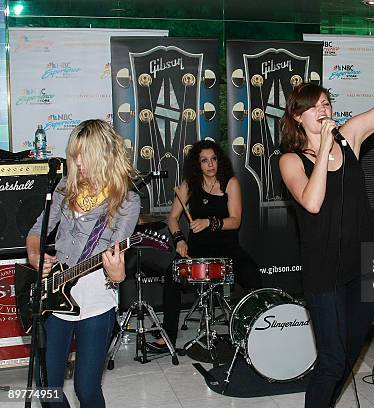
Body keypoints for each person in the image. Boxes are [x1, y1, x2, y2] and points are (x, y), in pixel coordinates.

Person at [279, 32, 374, 407]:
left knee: (349, 354)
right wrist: (321, 150)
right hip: (324, 271)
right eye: (314, 106)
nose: (323, 108)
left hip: (366, 263)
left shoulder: (349, 136)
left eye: (326, 102)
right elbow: (313, 202)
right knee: (333, 361)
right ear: (298, 116)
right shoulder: (290, 159)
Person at [26, 119, 141, 407]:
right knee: (47, 389)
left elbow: (116, 260)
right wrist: (35, 254)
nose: (78, 163)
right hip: (55, 297)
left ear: (103, 155)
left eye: (84, 156)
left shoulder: (126, 201)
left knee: (86, 390)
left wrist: (117, 275)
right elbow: (36, 232)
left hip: (96, 301)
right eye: (74, 155)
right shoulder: (65, 188)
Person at [147, 140, 262, 353]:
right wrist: (180, 240)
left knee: (252, 274)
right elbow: (172, 218)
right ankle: (168, 337)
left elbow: (235, 220)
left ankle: (255, 332)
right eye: (204, 160)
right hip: (197, 247)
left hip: (227, 246)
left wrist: (210, 222)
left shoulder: (230, 182)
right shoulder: (189, 184)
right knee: (171, 277)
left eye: (213, 159)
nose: (210, 164)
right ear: (197, 164)